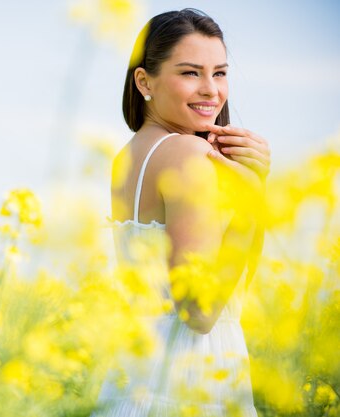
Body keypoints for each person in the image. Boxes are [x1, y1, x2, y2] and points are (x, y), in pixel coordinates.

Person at [92, 8, 271, 417]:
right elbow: (202, 311)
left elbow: (232, 285)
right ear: (144, 81)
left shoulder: (130, 155)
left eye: (220, 73)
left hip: (136, 377)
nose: (211, 90)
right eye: (190, 73)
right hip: (191, 382)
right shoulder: (189, 153)